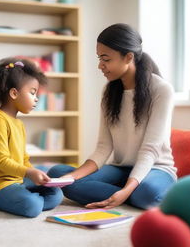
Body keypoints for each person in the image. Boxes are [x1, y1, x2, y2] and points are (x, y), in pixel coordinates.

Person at [48, 23, 177, 210]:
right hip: (120, 168)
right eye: (99, 58)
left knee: (146, 192)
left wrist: (126, 190)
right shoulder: (109, 91)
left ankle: (126, 194)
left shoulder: (161, 90)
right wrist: (69, 177)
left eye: (106, 59)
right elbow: (103, 147)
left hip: (156, 168)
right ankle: (127, 196)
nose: (100, 65)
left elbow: (150, 149)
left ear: (128, 57)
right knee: (59, 173)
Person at [0, 57, 63, 217]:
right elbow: (2, 162)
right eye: (32, 92)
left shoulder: (19, 124)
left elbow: (23, 159)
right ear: (14, 93)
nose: (36, 98)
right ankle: (25, 200)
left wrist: (34, 172)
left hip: (17, 181)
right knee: (32, 206)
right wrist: (29, 173)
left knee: (56, 194)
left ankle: (26, 198)